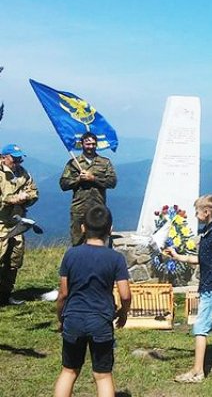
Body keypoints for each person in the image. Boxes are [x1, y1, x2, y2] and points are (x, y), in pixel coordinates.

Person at [54, 205, 131, 397]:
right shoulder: (116, 258)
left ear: (82, 228)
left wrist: (61, 317)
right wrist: (123, 313)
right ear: (110, 230)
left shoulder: (71, 254)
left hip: (73, 318)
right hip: (101, 321)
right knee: (103, 375)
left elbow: (63, 293)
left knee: (69, 371)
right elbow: (125, 295)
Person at [166, 195, 212, 383]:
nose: (195, 214)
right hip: (210, 285)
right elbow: (201, 260)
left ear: (207, 212)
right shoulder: (208, 231)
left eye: (197, 211)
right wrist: (177, 256)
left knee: (200, 327)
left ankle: (197, 372)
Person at [60, 131, 117, 246]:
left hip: (98, 208)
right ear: (82, 144)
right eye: (88, 144)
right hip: (79, 209)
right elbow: (63, 184)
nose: (91, 147)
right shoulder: (73, 163)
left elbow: (112, 182)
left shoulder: (105, 163)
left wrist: (93, 179)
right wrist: (78, 180)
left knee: (98, 240)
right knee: (77, 241)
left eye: (93, 144)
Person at [0, 144, 38, 306]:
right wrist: (10, 199)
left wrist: (26, 198)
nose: (18, 161)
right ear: (3, 158)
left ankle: (6, 295)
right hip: (1, 222)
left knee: (14, 260)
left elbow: (34, 191)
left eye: (19, 158)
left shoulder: (23, 173)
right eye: (14, 159)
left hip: (17, 223)